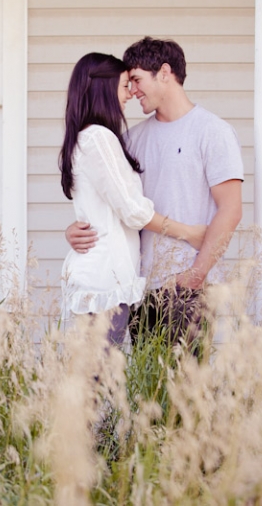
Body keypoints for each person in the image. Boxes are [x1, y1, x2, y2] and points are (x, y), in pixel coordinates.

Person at [66, 38, 244, 349]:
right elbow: (113, 201)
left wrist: (195, 276)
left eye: (136, 80)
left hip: (185, 288)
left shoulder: (213, 132)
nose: (132, 91)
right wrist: (76, 228)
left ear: (164, 72)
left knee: (183, 389)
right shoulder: (129, 139)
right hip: (136, 287)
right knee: (146, 391)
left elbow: (231, 209)